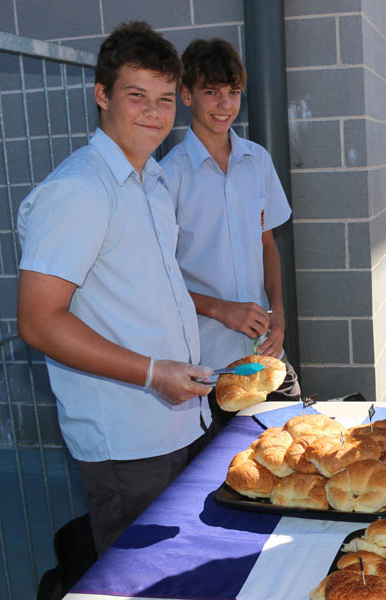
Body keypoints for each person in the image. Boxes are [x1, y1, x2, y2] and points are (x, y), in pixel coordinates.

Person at [16, 22, 213, 554]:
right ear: (102, 96)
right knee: (142, 579)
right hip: (127, 441)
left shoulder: (150, 182)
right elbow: (38, 321)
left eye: (165, 99)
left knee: (181, 573)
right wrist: (152, 373)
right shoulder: (80, 189)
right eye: (136, 96)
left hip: (174, 424)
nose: (154, 112)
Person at [161, 38, 300, 434]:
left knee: (292, 448)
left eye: (233, 92)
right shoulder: (167, 177)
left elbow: (267, 245)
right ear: (186, 94)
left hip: (266, 358)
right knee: (225, 468)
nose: (225, 104)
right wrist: (221, 309)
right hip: (207, 369)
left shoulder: (257, 161)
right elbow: (159, 280)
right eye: (211, 92)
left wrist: (279, 314)